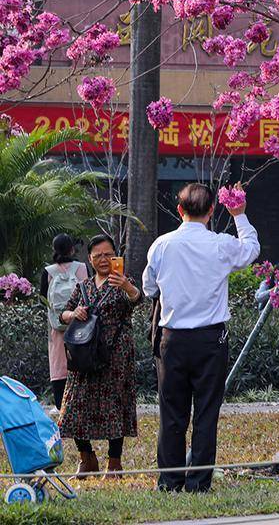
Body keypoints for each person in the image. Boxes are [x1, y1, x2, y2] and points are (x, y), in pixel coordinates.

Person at [142, 182, 259, 493]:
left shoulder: (161, 245)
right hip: (211, 341)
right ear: (211, 210)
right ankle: (198, 483)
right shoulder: (221, 245)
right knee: (206, 412)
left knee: (171, 414)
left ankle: (170, 481)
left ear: (180, 211)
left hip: (172, 340)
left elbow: (149, 289)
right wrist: (240, 215)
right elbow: (251, 249)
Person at [59, 233, 142, 477]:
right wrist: (74, 314)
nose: (103, 259)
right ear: (90, 259)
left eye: (108, 254)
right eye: (98, 256)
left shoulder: (123, 282)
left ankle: (114, 463)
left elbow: (137, 300)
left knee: (115, 404)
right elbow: (62, 315)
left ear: (116, 256)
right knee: (74, 406)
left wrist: (127, 286)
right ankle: (87, 459)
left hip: (116, 355)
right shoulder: (82, 287)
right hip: (84, 354)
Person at [40, 234, 87, 411]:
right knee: (82, 361)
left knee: (59, 365)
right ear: (72, 249)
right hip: (81, 325)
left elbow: (43, 299)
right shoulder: (82, 268)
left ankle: (62, 406)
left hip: (56, 328)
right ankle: (82, 405)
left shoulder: (48, 271)